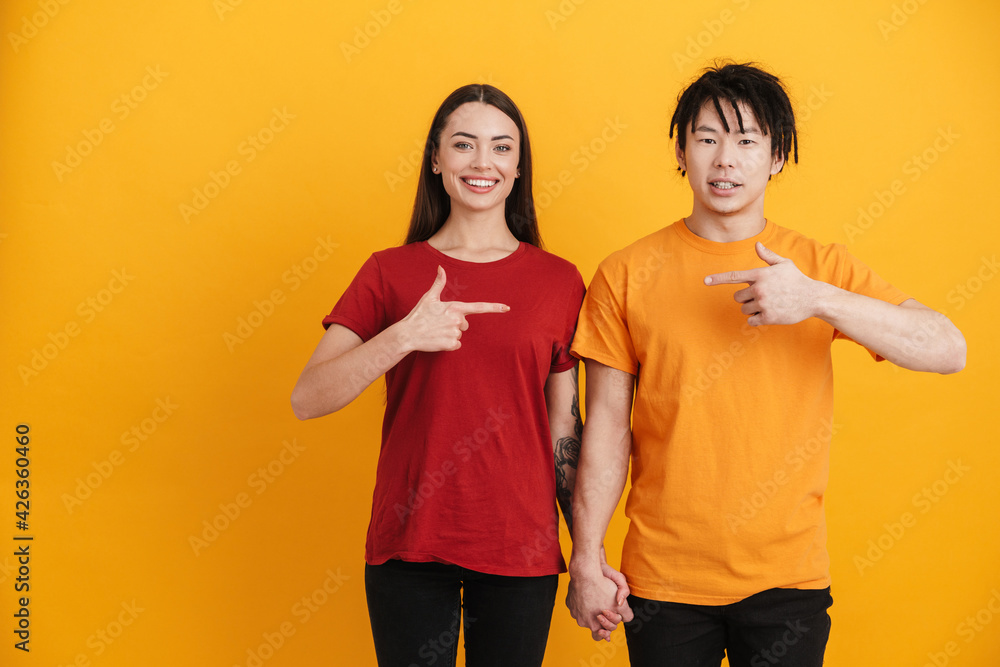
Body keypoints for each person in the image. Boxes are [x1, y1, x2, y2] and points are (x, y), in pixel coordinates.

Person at [565, 63, 966, 666]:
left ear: (776, 157)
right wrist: (586, 557)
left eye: (747, 140)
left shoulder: (817, 266)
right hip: (664, 582)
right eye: (707, 139)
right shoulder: (624, 273)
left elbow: (947, 348)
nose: (726, 159)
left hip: (788, 580)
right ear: (681, 151)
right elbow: (603, 426)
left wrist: (816, 298)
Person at [290, 84, 629, 667]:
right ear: (437, 159)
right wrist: (403, 336)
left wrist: (587, 558)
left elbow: (562, 428)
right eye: (464, 145)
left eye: (501, 147)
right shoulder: (390, 272)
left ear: (518, 167)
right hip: (409, 546)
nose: (482, 162)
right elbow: (307, 398)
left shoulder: (558, 281)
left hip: (520, 549)